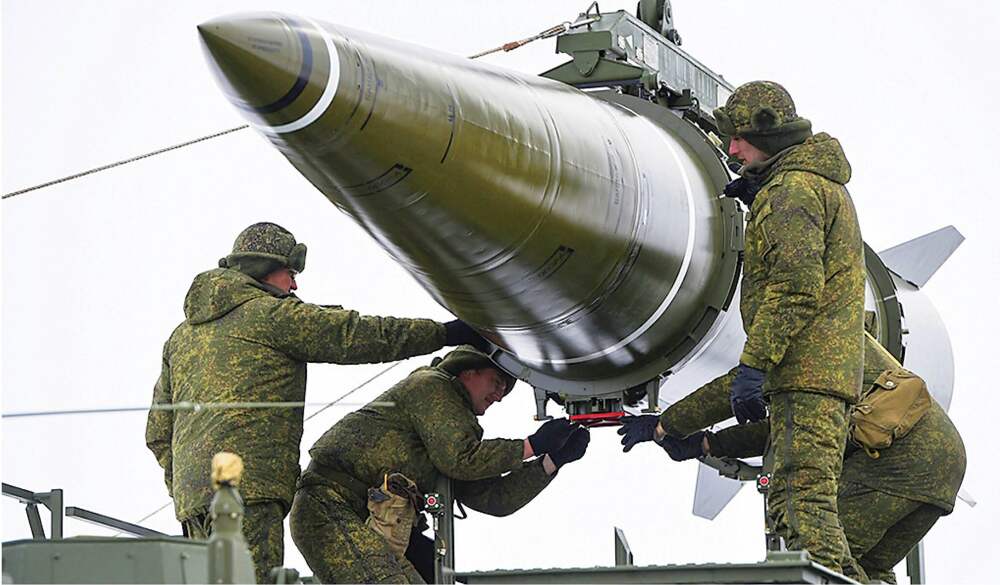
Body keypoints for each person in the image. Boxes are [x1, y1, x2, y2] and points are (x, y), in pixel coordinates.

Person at [145, 221, 487, 583]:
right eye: (290, 274)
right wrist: (444, 333)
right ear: (264, 268)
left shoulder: (181, 338)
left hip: (192, 501)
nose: (294, 286)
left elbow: (158, 432)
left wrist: (185, 482)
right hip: (249, 490)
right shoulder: (271, 315)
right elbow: (352, 335)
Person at [620, 80, 866, 574]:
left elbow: (794, 287)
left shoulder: (792, 192)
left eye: (739, 138)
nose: (731, 150)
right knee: (805, 511)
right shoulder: (807, 185)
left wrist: (755, 364)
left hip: (803, 374)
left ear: (768, 134)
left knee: (802, 510)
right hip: (814, 374)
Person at [625, 332, 966, 584]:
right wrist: (707, 444)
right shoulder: (839, 335)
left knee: (822, 550)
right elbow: (791, 426)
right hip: (942, 467)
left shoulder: (799, 335)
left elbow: (733, 389)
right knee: (867, 569)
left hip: (899, 463)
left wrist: (665, 425)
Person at [289, 345, 590, 583]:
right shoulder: (432, 387)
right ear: (468, 371)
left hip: (374, 521)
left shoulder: (455, 431)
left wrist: (552, 460)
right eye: (497, 382)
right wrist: (531, 445)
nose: (499, 396)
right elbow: (460, 460)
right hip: (330, 506)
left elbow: (493, 497)